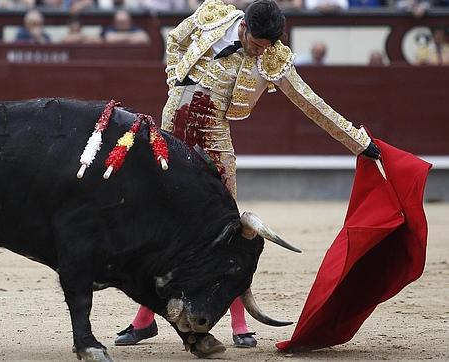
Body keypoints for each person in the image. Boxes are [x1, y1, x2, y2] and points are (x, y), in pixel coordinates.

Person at [114, 0, 380, 356]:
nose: (258, 52)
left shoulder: (272, 57)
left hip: (212, 139)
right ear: (244, 27)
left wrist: (358, 142)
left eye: (264, 48)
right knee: (166, 225)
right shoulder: (212, 15)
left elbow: (310, 102)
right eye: (255, 44)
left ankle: (239, 323)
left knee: (227, 232)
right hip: (172, 132)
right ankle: (145, 318)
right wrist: (176, 77)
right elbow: (176, 40)